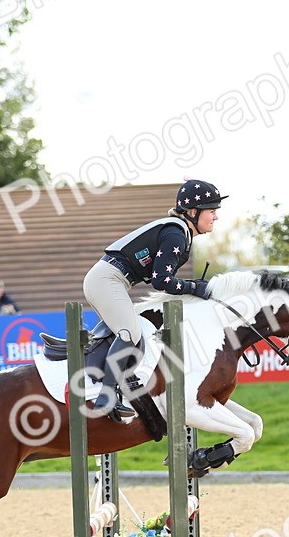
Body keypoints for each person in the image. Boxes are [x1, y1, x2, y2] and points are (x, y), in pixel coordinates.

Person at [83, 179, 226, 420]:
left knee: (132, 335)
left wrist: (193, 287)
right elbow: (162, 281)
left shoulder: (178, 231)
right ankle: (106, 397)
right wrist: (195, 288)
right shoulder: (176, 234)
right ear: (193, 212)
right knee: (131, 332)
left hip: (109, 278)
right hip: (108, 280)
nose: (215, 217)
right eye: (211, 211)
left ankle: (116, 387)